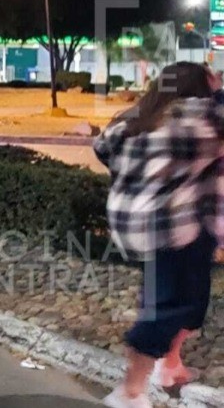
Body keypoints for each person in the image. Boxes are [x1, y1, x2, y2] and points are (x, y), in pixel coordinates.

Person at [93, 62, 223, 408]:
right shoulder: (199, 118)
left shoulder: (133, 120)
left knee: (188, 295)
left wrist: (149, 178)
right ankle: (130, 391)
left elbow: (101, 149)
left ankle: (170, 366)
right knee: (166, 306)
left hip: (141, 224)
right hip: (171, 227)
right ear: (201, 88)